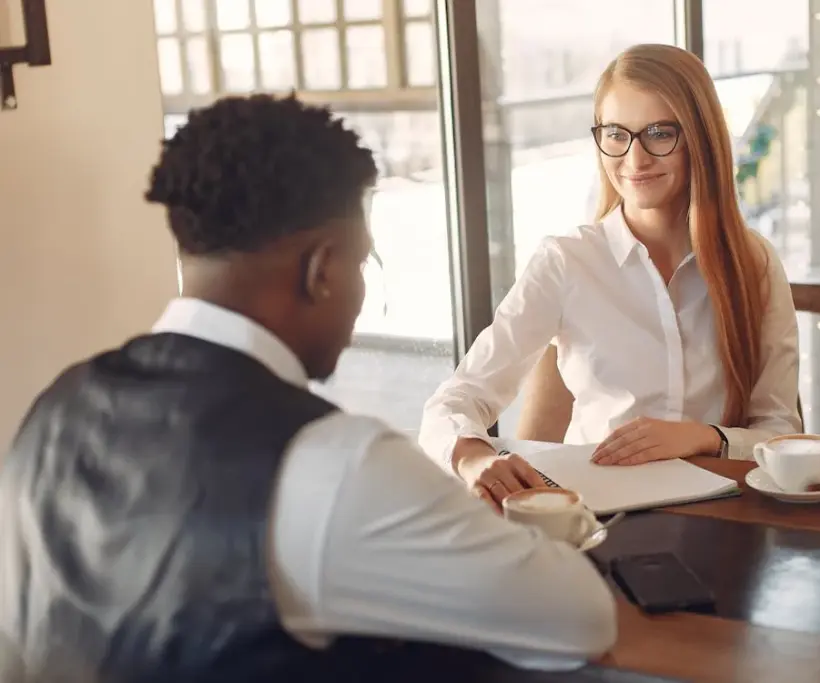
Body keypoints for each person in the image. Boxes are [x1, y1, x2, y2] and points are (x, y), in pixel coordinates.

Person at [0, 95, 615, 683]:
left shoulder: (53, 409)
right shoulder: (335, 462)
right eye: (362, 263)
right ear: (321, 270)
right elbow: (581, 617)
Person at [419, 44, 802, 511]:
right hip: (598, 517)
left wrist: (701, 438)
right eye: (616, 134)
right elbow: (456, 400)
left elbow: (781, 433)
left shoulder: (755, 264)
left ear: (700, 139)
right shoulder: (566, 262)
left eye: (660, 133)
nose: (635, 159)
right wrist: (474, 457)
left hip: (728, 517)